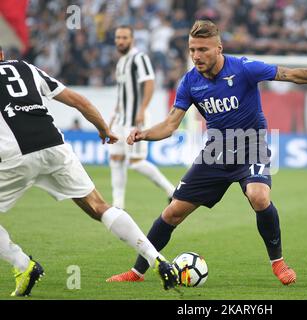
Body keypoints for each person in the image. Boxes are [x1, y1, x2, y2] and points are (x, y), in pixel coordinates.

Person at [106, 20, 307, 284]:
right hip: (216, 152)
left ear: (219, 48)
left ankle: (278, 262)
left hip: (251, 144)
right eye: (192, 50)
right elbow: (171, 124)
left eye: (203, 50)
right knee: (172, 212)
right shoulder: (189, 82)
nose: (196, 56)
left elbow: (291, 74)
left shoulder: (244, 68)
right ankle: (137, 272)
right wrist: (145, 134)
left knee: (258, 196)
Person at [0, 46, 178, 296]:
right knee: (99, 207)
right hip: (54, 146)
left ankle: (23, 264)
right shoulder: (25, 68)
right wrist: (103, 129)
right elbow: (78, 100)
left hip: (15, 156)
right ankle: (155, 257)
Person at [109, 25, 175, 209]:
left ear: (132, 40)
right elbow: (122, 93)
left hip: (135, 119)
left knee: (136, 162)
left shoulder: (140, 57)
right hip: (121, 119)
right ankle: (118, 205)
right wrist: (113, 116)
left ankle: (172, 191)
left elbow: (149, 82)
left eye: (124, 37)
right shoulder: (121, 62)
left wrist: (142, 109)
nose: (120, 41)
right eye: (118, 37)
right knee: (115, 158)